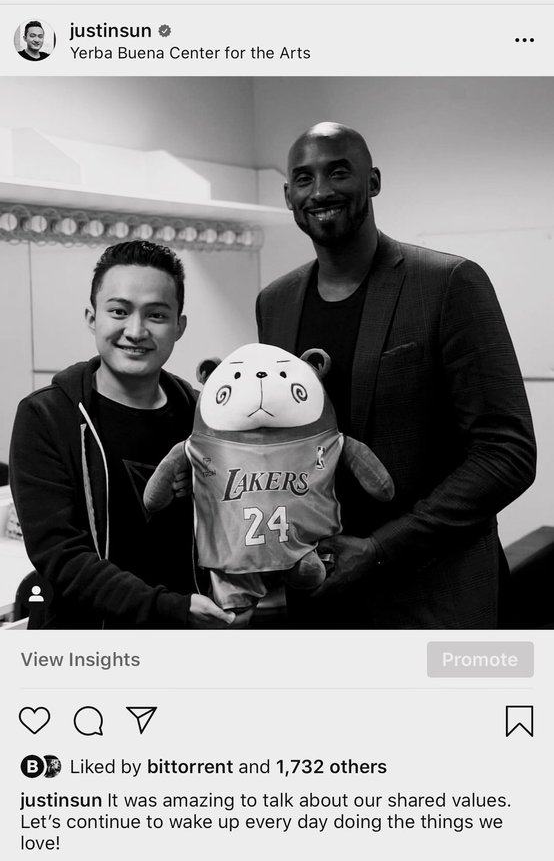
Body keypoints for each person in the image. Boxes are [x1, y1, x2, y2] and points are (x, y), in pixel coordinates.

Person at [256, 122, 537, 628]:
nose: (320, 191)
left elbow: (507, 452)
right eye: (304, 178)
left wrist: (382, 549)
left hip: (434, 596)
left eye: (338, 172)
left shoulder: (448, 283)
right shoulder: (275, 303)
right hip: (320, 600)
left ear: (373, 181)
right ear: (288, 195)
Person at [10, 240, 235, 629]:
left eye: (156, 315)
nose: (136, 331)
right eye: (119, 311)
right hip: (92, 646)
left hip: (195, 637)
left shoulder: (206, 417)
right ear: (92, 318)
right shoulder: (47, 416)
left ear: (179, 326)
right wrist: (170, 608)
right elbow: (61, 556)